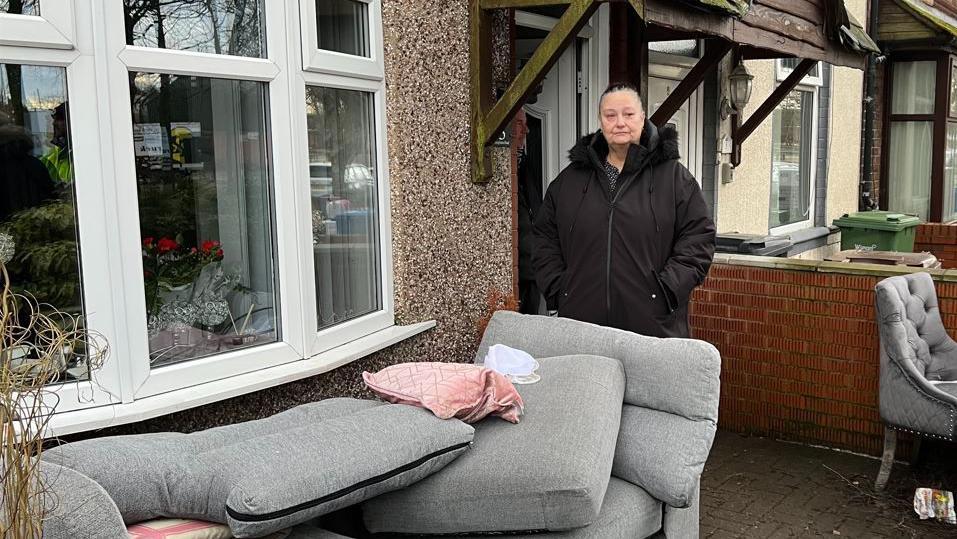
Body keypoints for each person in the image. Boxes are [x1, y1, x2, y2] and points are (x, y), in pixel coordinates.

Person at [532, 82, 715, 338]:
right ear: (600, 120)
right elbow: (543, 238)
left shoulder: (674, 179)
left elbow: (699, 239)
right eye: (610, 115)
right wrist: (559, 289)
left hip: (652, 327)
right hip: (583, 325)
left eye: (628, 114)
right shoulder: (570, 181)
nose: (620, 123)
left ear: (642, 118)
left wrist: (667, 290)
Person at [514, 109, 544, 314]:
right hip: (520, 274)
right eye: (519, 124)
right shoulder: (509, 166)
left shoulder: (524, 166)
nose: (526, 129)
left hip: (533, 271)